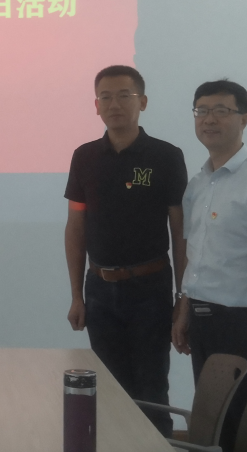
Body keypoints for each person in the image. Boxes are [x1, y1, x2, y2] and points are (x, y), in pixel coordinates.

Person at [63, 65, 188, 437]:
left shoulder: (166, 156)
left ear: (142, 102)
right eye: (105, 97)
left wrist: (182, 298)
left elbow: (180, 232)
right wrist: (77, 295)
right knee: (109, 389)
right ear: (96, 106)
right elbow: (75, 228)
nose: (114, 104)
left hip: (150, 288)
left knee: (151, 388)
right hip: (99, 290)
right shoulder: (85, 156)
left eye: (124, 96)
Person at [172, 79, 247, 452]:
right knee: (214, 424)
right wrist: (184, 309)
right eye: (202, 111)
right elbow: (196, 255)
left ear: (244, 119)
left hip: (245, 323)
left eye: (221, 111)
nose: (209, 119)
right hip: (203, 320)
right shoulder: (198, 184)